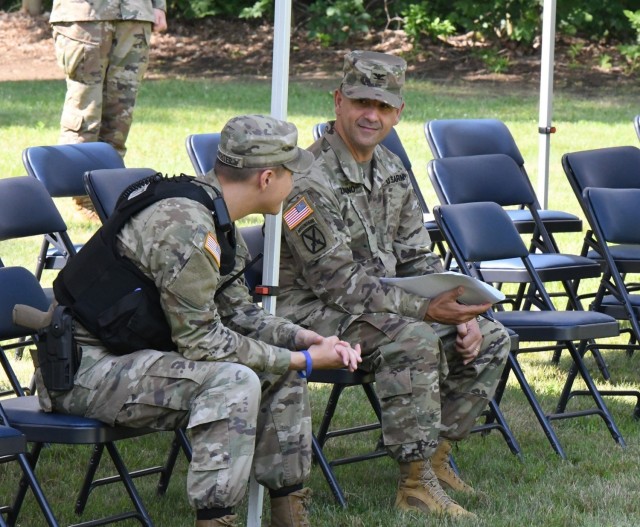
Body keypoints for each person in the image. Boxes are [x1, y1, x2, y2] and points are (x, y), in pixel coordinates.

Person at [33, 114, 362, 527]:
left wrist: (302, 339)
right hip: (83, 370)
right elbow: (203, 343)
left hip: (133, 355)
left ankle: (290, 515)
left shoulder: (213, 213)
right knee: (234, 380)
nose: (294, 184)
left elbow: (238, 313)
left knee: (276, 371)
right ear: (266, 178)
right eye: (291, 174)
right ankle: (215, 519)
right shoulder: (186, 226)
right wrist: (305, 362)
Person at [277, 50, 510, 519]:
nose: (371, 115)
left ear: (398, 113)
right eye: (362, 101)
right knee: (414, 338)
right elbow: (337, 283)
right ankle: (414, 484)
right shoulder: (307, 179)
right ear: (338, 101)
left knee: (492, 336)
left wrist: (459, 309)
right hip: (306, 310)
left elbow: (417, 257)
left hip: (377, 305)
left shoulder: (390, 170)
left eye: (384, 107)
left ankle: (435, 459)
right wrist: (426, 311)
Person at [50, 0, 168, 158]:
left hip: (135, 14)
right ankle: (72, 178)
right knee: (85, 114)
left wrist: (158, 6)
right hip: (85, 15)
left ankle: (108, 179)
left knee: (119, 121)